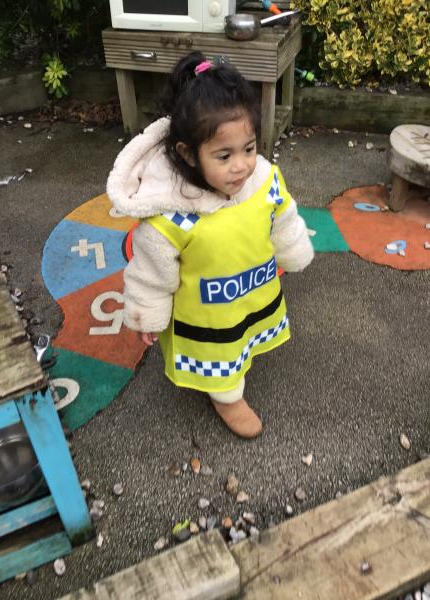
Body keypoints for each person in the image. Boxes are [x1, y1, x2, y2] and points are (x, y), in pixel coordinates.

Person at [107, 52, 314, 439]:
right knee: (221, 355)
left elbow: (283, 216)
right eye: (224, 155)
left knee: (242, 333)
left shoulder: (263, 182)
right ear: (188, 154)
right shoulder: (171, 217)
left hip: (249, 290)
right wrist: (147, 314)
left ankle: (235, 367)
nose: (241, 165)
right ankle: (227, 397)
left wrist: (293, 248)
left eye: (249, 148)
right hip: (206, 312)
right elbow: (151, 273)